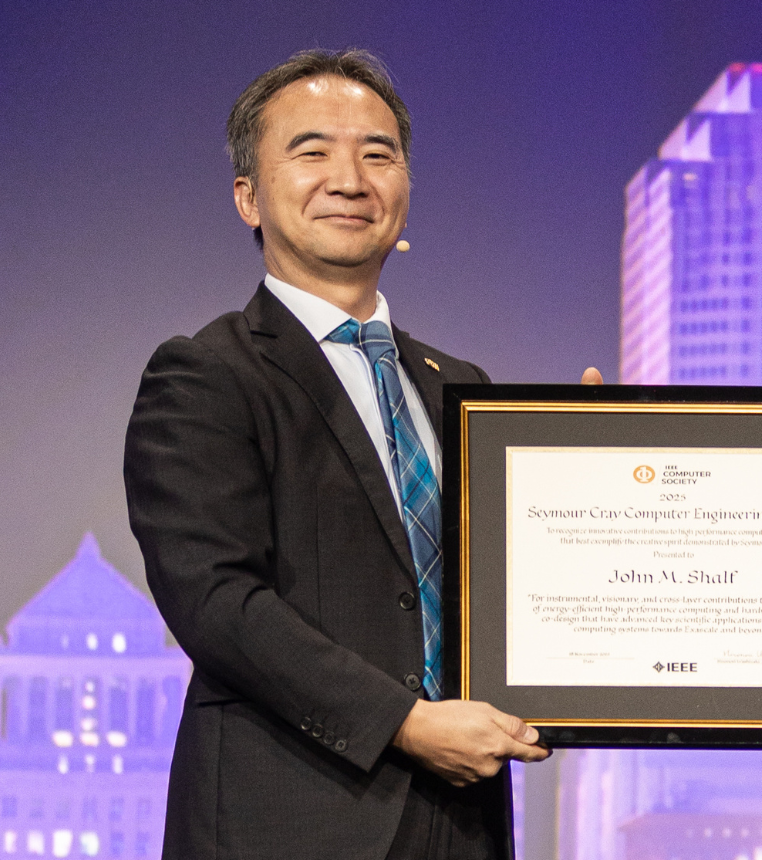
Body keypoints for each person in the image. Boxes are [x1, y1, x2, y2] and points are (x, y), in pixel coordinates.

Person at [123, 50, 550, 859]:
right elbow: (215, 600)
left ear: (406, 191)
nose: (350, 179)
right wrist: (404, 724)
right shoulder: (206, 374)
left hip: (463, 825)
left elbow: (511, 598)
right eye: (312, 151)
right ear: (248, 196)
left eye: (378, 154)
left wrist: (587, 468)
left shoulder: (463, 388)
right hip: (287, 820)